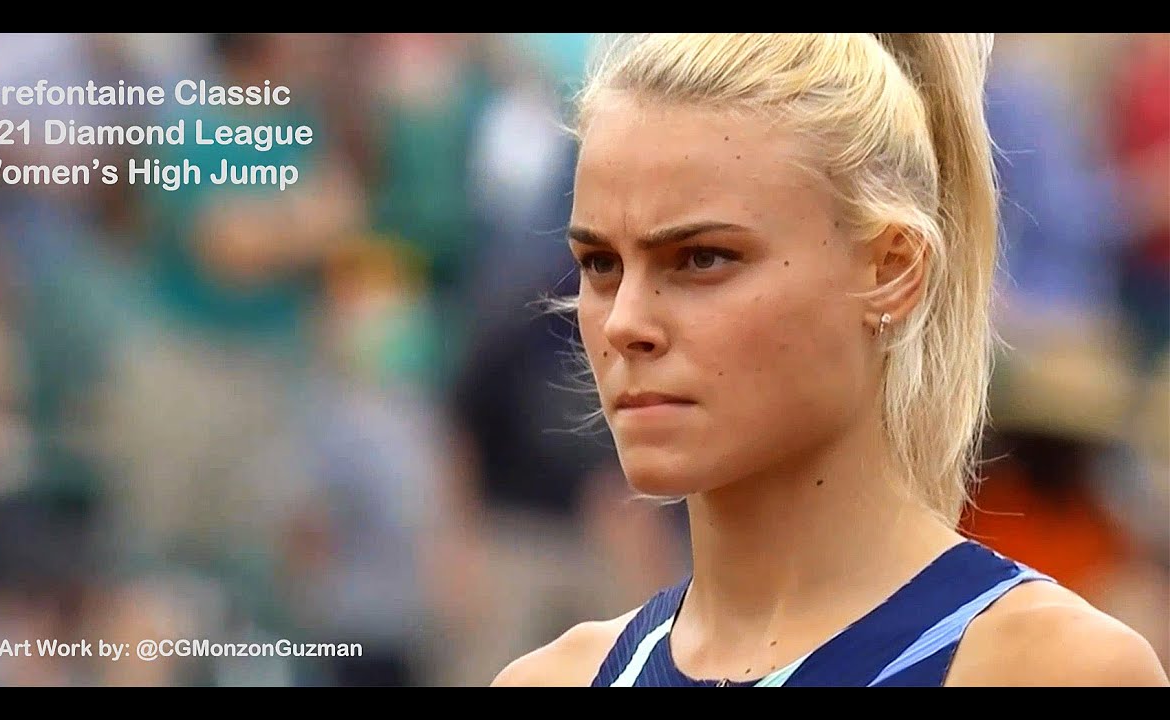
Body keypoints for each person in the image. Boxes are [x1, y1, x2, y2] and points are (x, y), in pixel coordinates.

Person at [489, 33, 1169, 687]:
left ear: (891, 268)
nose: (627, 321)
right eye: (600, 265)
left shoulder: (1048, 668)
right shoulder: (554, 677)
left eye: (702, 258)